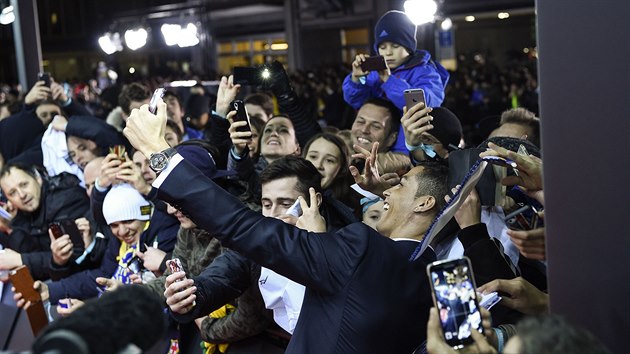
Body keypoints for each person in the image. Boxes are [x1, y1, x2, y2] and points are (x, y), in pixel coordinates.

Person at [123, 100, 450, 353]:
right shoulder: (426, 271)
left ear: (313, 203)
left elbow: (239, 224)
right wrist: (188, 300)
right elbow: (217, 279)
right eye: (266, 205)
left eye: (402, 185)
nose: (388, 191)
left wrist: (158, 152)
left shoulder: (356, 245)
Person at [343, 10, 450, 153]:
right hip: (375, 144)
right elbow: (355, 101)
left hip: (408, 148)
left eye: (395, 46)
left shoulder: (426, 72)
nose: (388, 52)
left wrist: (389, 81)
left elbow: (423, 104)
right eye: (382, 47)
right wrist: (356, 79)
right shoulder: (375, 72)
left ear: (409, 47)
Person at [0, 162, 90, 280]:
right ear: (9, 200)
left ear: (38, 178)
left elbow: (73, 260)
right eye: (13, 193)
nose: (22, 195)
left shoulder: (66, 200)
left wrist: (22, 260)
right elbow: (33, 271)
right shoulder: (22, 216)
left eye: (24, 185)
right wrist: (10, 228)